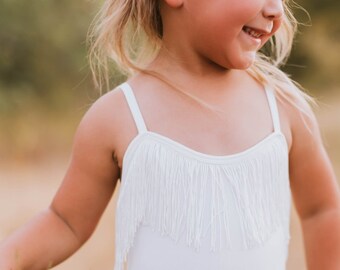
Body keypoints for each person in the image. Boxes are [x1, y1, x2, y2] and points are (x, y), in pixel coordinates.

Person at [1, 0, 340, 269]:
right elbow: (65, 222)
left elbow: (322, 209)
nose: (276, 9)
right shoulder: (119, 117)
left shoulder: (283, 109)